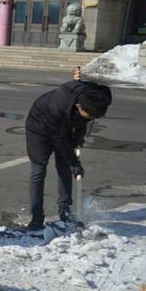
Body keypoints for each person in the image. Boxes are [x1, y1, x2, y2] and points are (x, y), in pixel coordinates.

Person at [25, 80, 112, 230]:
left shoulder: (95, 96)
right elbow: (59, 140)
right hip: (39, 127)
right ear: (79, 107)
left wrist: (79, 137)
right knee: (39, 170)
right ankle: (36, 217)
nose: (91, 119)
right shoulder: (57, 105)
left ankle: (64, 208)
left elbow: (83, 121)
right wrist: (75, 162)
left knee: (63, 166)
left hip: (64, 125)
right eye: (89, 116)